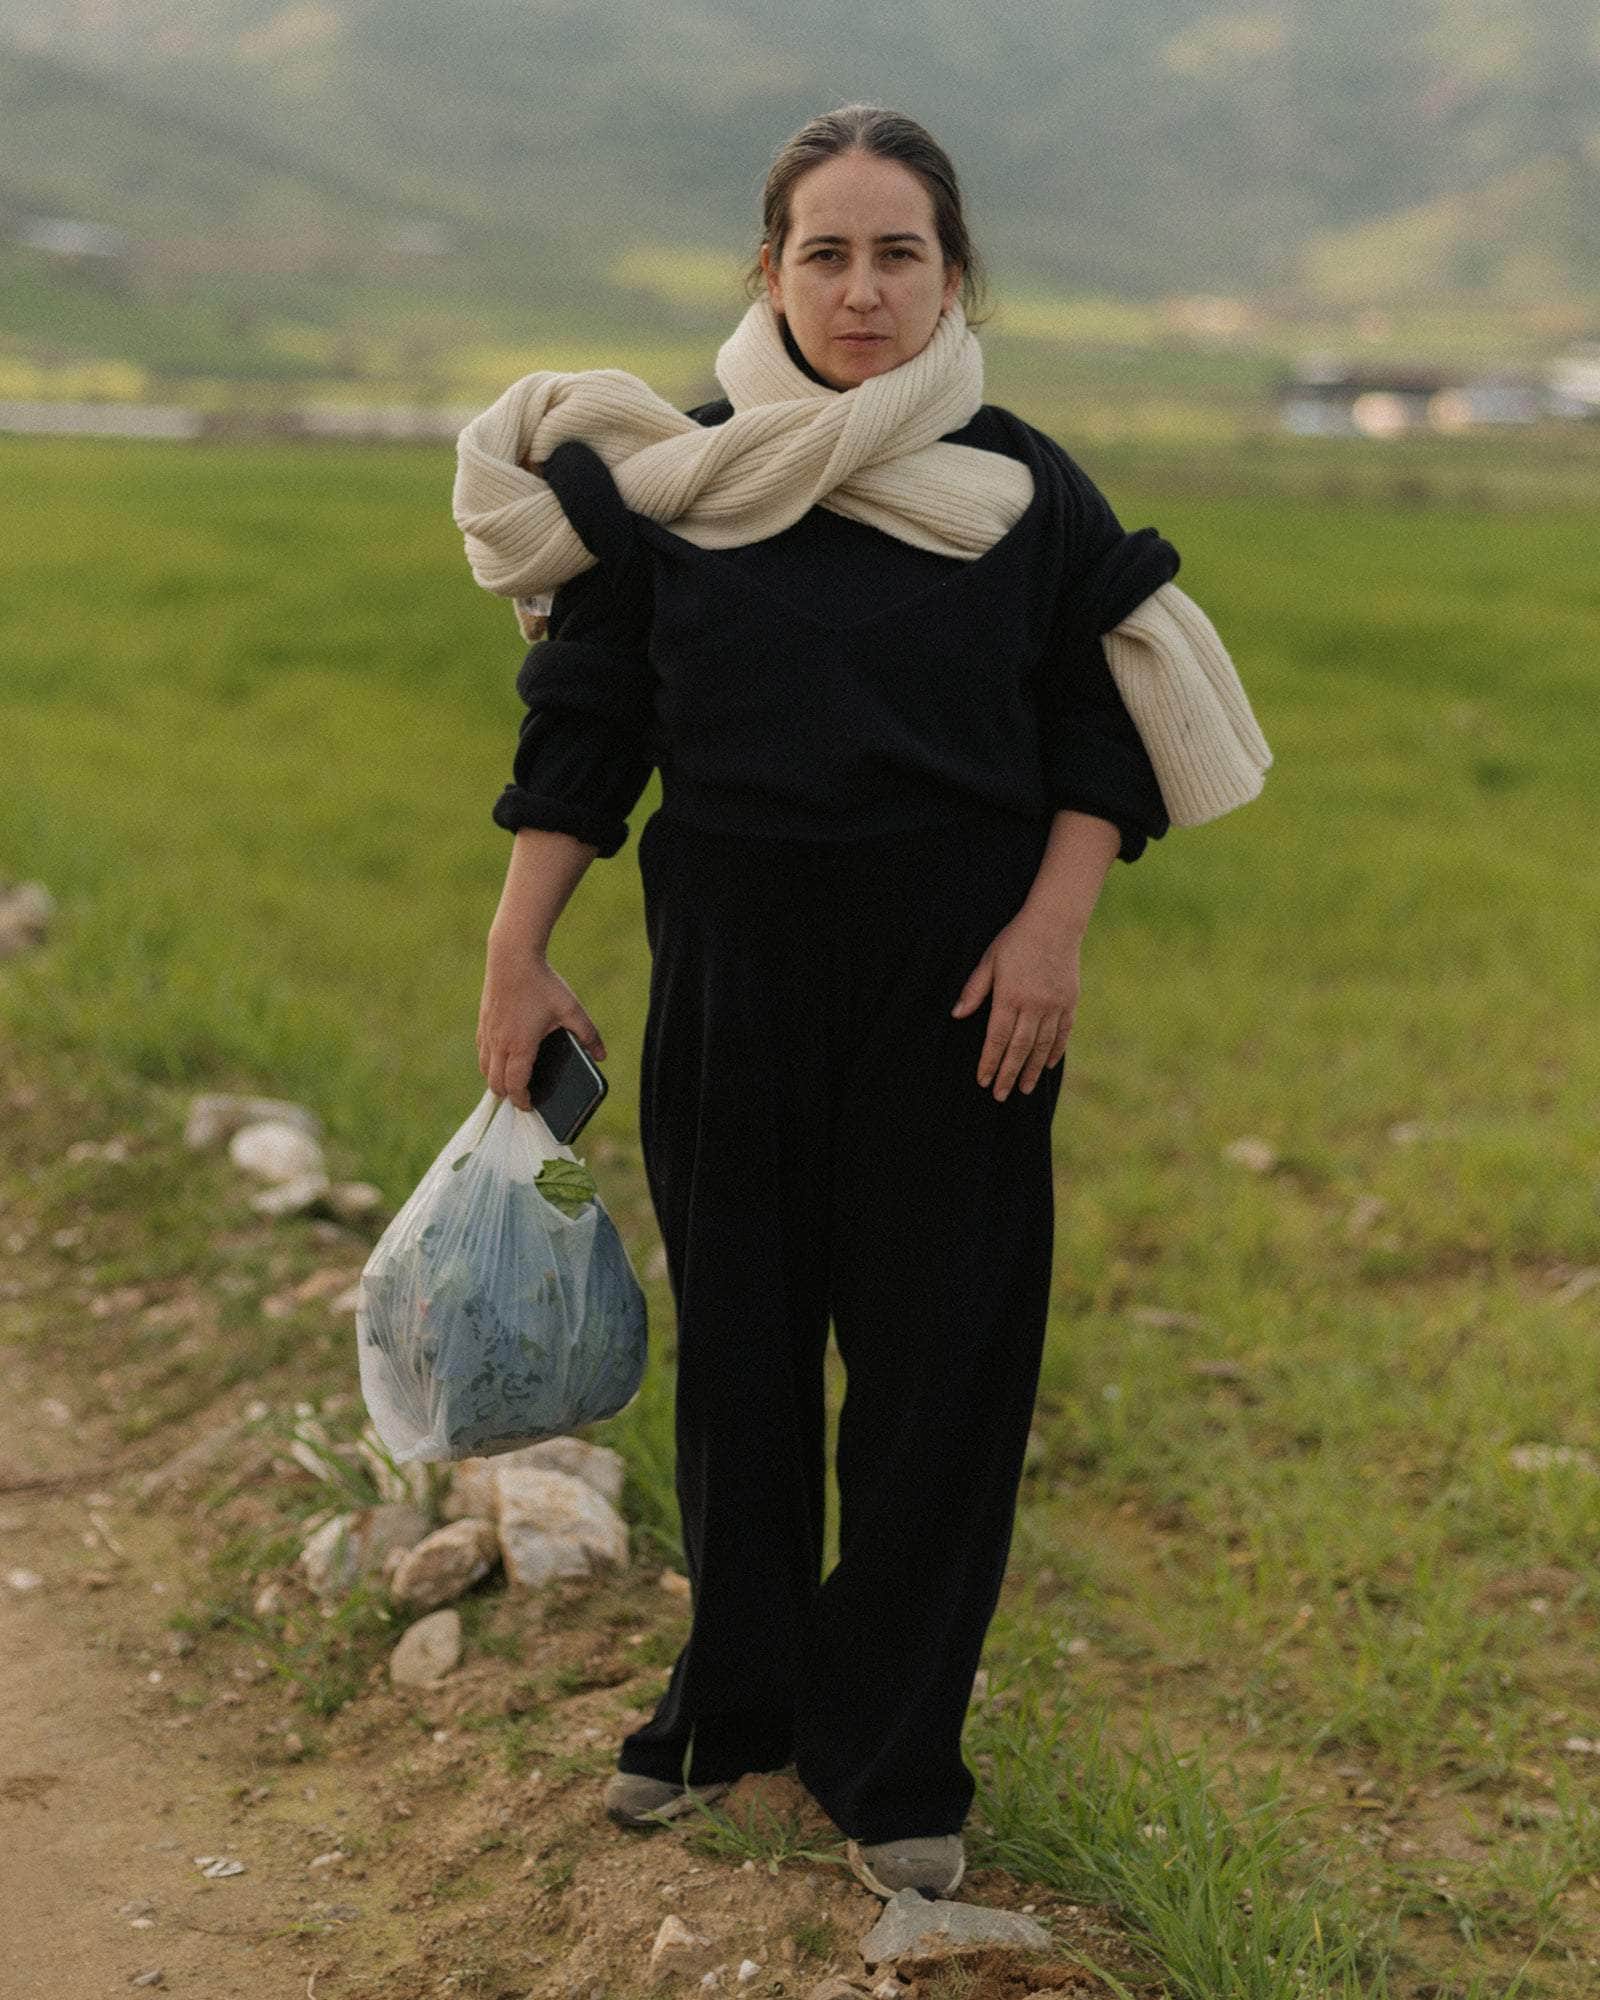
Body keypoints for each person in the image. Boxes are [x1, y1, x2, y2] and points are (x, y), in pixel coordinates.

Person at [464, 104, 1269, 1902]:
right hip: (731, 976)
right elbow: (589, 729)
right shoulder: (684, 482)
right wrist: (519, 949)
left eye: (898, 252)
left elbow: (1100, 726)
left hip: (965, 995)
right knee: (743, 1364)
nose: (862, 288)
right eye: (824, 253)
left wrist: (1053, 929)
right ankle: (732, 1711)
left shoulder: (1022, 493)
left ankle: (894, 1754)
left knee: (939, 1381)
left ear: (954, 274)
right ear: (769, 273)